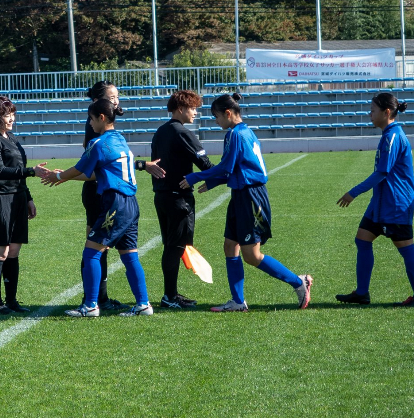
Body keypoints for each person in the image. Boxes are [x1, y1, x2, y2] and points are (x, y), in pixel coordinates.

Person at [182, 92, 312, 312]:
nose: (216, 121)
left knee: (252, 255)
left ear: (228, 113)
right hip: (240, 195)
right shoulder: (242, 132)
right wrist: (213, 183)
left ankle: (299, 282)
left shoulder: (237, 135)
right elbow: (234, 168)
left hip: (251, 197)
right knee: (229, 246)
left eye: (216, 116)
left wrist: (195, 177)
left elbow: (226, 168)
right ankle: (237, 301)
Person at [37, 98, 154, 318]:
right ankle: (143, 304)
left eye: (91, 119)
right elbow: (93, 173)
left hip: (115, 203)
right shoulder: (120, 139)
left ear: (101, 118)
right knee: (130, 255)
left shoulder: (99, 143)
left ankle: (90, 305)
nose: (89, 123)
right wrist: (66, 179)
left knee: (91, 253)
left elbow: (78, 167)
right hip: (131, 204)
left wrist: (58, 176)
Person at [336, 92, 414, 305]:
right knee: (362, 239)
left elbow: (382, 173)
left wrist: (353, 192)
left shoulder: (393, 136)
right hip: (380, 205)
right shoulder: (388, 134)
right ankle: (362, 293)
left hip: (395, 205)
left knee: (407, 250)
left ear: (386, 112)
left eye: (373, 110)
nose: (369, 114)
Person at [141, 90, 211, 309]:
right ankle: (169, 297)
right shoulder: (182, 132)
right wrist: (221, 174)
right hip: (178, 199)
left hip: (162, 196)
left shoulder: (160, 131)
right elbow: (206, 165)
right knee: (176, 247)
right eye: (193, 108)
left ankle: (170, 294)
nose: (195, 113)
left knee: (172, 246)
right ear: (181, 109)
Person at [0, 96, 37, 314]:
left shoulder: (11, 138)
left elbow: (18, 169)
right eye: (6, 114)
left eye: (12, 113)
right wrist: (31, 172)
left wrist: (28, 197)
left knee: (13, 251)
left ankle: (12, 301)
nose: (11, 118)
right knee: (0, 251)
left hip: (18, 198)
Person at [79, 81, 123, 311]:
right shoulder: (96, 128)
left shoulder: (104, 127)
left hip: (102, 191)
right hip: (97, 192)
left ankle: (98, 297)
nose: (117, 100)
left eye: (117, 96)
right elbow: (92, 168)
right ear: (98, 102)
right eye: (112, 97)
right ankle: (94, 298)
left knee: (99, 247)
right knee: (95, 246)